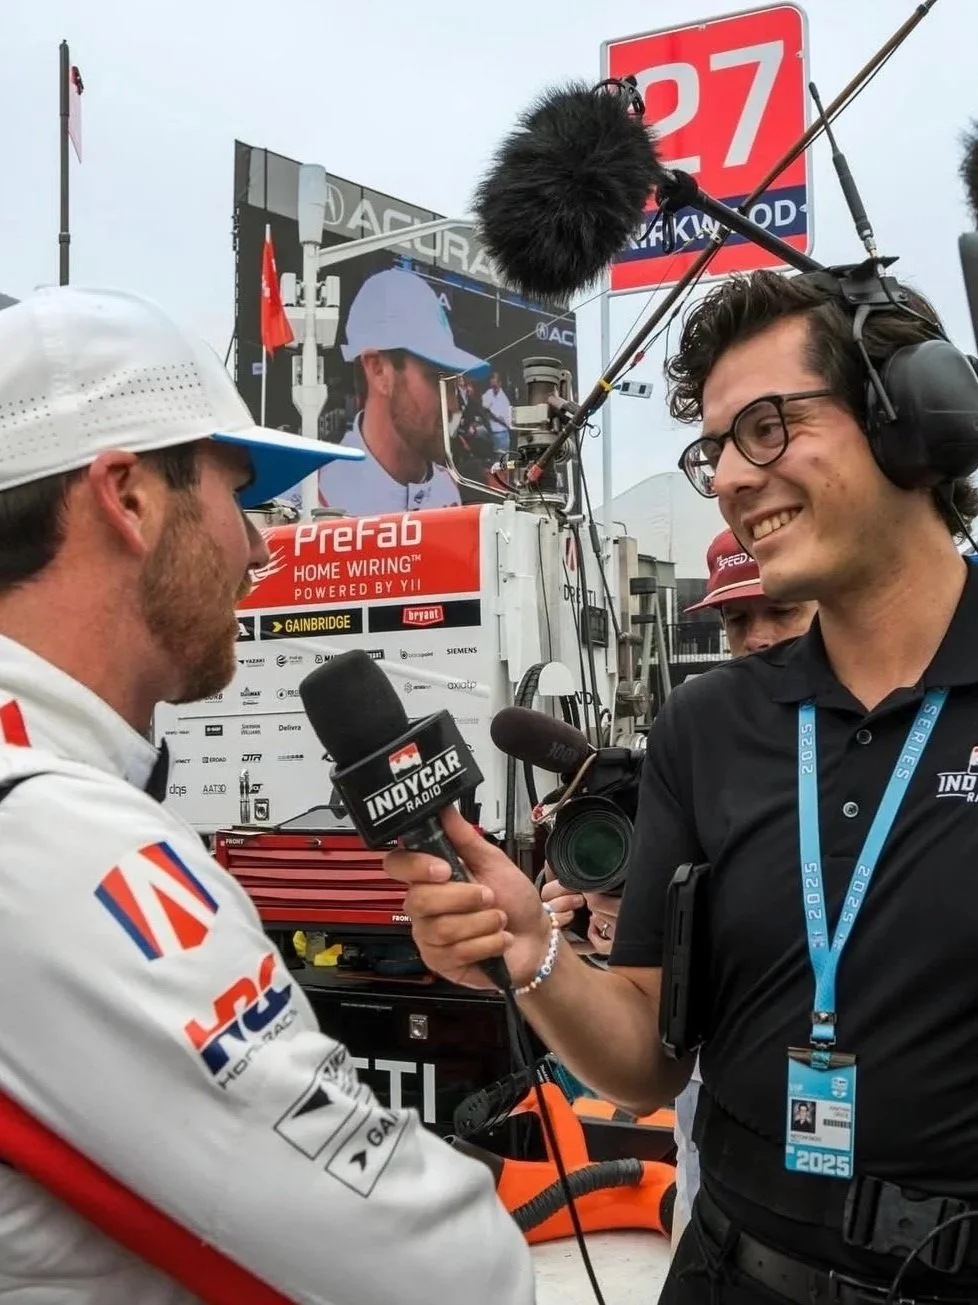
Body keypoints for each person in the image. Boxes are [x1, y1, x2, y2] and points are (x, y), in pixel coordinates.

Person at [384, 266, 978, 1303]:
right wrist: (532, 953)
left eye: (767, 428)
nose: (735, 478)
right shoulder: (707, 726)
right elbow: (648, 1057)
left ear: (910, 420)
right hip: (727, 1272)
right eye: (717, 451)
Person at [0, 286, 534, 1305]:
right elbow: (449, 1275)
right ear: (128, 498)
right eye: (238, 496)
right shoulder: (64, 846)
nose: (260, 547)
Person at [543, 529, 817, 1250]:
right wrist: (593, 931)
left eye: (781, 610)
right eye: (736, 620)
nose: (757, 638)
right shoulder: (700, 739)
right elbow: (644, 1005)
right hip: (724, 1121)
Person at [318, 268, 491, 515]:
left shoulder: (451, 490)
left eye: (453, 384)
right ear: (378, 370)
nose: (453, 407)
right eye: (436, 379)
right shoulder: (310, 500)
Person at [481, 370, 513, 458]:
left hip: (501, 433)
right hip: (490, 432)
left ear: (499, 382)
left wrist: (490, 412)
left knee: (502, 460)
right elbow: (483, 406)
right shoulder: (488, 393)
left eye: (493, 378)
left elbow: (502, 419)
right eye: (491, 378)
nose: (491, 380)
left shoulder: (504, 399)